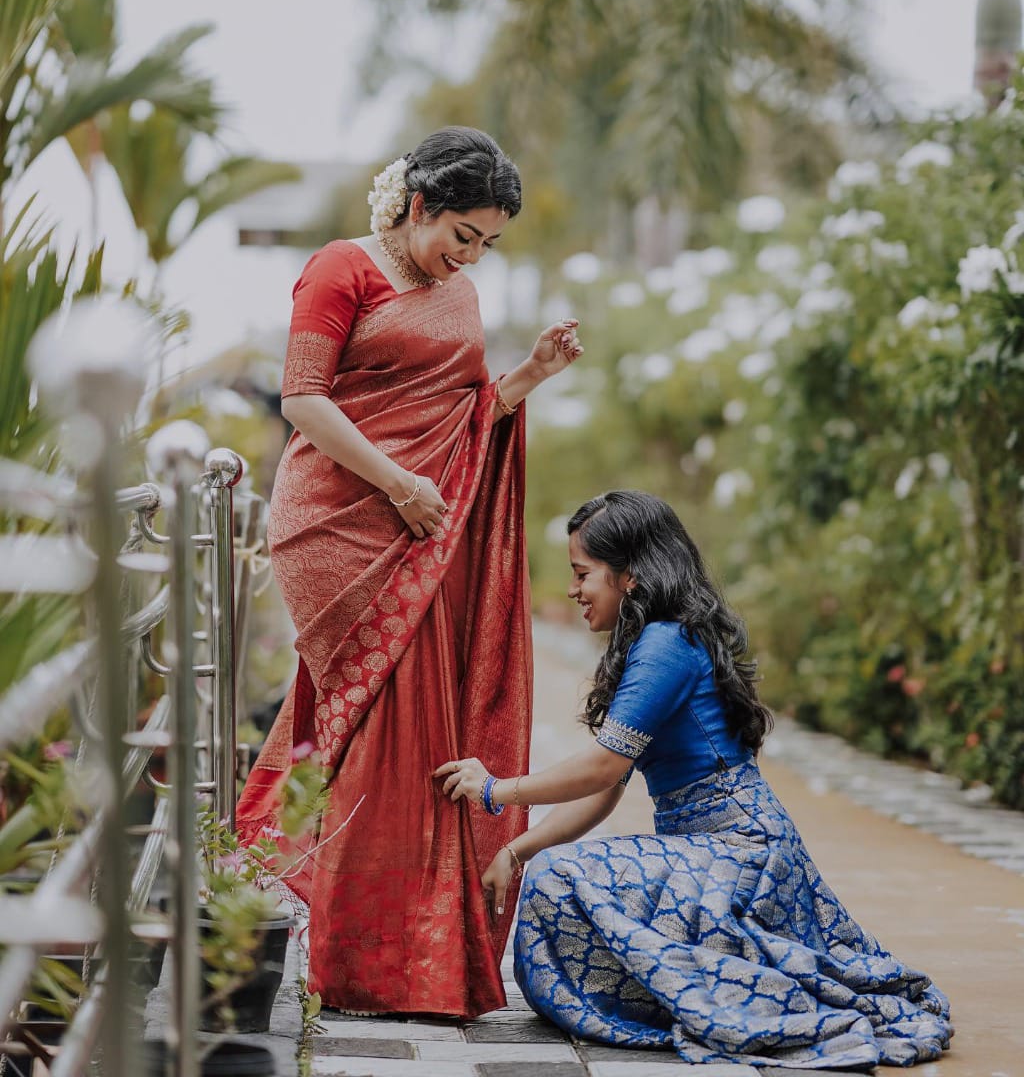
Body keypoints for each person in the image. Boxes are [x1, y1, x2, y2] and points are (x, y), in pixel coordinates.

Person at [235, 126, 583, 1017]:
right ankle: (356, 962)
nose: (468, 257)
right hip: (339, 525)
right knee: (378, 728)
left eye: (486, 244)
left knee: (424, 731)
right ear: (419, 205)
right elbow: (303, 399)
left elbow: (468, 416)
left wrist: (532, 375)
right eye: (460, 234)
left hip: (422, 518)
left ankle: (414, 957)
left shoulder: (456, 294)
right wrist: (396, 484)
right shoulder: (339, 270)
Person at [436, 491, 953, 1068]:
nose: (574, 591)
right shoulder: (658, 639)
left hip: (742, 854)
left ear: (629, 574)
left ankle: (688, 1004)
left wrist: (494, 789)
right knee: (556, 874)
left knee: (562, 878)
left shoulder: (665, 643)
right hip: (712, 851)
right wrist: (517, 849)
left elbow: (602, 766)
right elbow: (607, 792)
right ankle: (682, 998)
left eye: (583, 574)